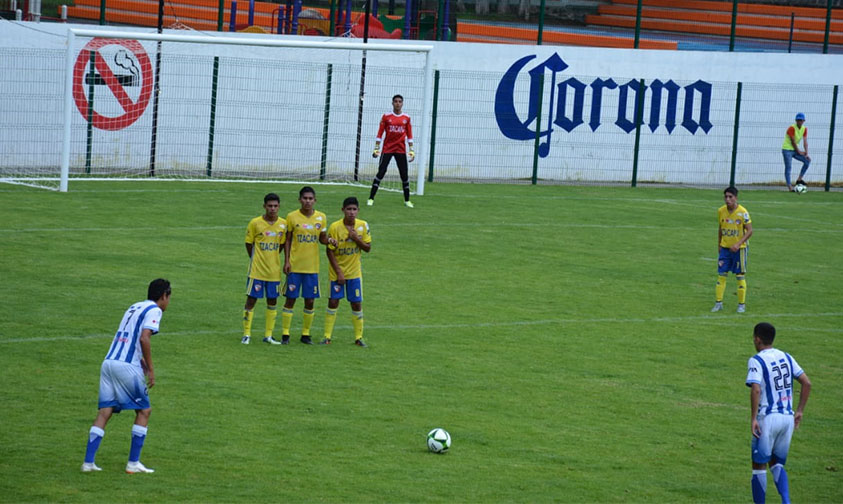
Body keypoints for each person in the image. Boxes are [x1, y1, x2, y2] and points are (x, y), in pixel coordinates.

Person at [81, 278, 172, 474]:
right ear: (163, 296)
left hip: (109, 362)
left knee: (105, 411)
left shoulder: (135, 306)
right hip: (125, 366)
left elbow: (129, 337)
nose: (168, 302)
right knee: (144, 411)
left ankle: (88, 463)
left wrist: (141, 363)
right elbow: (144, 337)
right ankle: (133, 463)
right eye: (168, 297)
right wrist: (151, 368)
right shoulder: (154, 310)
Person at [746, 322, 811, 504]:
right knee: (776, 463)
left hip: (768, 418)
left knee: (759, 466)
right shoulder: (786, 357)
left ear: (757, 339)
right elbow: (807, 383)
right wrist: (799, 411)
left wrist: (753, 418)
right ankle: (786, 501)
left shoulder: (756, 360)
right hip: (787, 419)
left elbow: (756, 389)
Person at [281, 186, 336, 344]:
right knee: (290, 299)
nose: (308, 201)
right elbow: (288, 240)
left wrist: (330, 241)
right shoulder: (291, 217)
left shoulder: (321, 218)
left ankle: (306, 334)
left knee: (310, 300)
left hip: (312, 268)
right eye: (305, 198)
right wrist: (286, 261)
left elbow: (322, 238)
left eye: (310, 199)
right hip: (295, 266)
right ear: (300, 200)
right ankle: (285, 334)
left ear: (315, 200)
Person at [322, 197, 372, 347]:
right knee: (333, 301)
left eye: (354, 209)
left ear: (358, 211)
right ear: (342, 210)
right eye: (348, 209)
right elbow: (329, 251)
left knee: (356, 304)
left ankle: (359, 338)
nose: (351, 212)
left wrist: (356, 238)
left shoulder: (363, 226)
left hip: (354, 273)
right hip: (337, 273)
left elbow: (368, 248)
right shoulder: (335, 227)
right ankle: (327, 337)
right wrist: (339, 272)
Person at [242, 193, 287, 345]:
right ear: (264, 206)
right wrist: (256, 259)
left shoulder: (283, 224)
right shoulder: (255, 223)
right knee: (251, 300)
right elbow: (249, 244)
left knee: (272, 301)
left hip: (274, 272)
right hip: (257, 271)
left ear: (279, 207)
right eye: (270, 206)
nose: (272, 209)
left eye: (275, 206)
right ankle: (246, 334)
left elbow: (281, 245)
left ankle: (268, 335)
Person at [368, 94, 415, 208]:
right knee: (381, 172)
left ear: (402, 103)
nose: (398, 103)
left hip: (400, 150)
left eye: (400, 101)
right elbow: (380, 133)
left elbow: (409, 135)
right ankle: (371, 198)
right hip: (387, 149)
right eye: (396, 101)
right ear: (392, 103)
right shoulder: (386, 117)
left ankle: (407, 200)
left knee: (404, 174)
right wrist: (376, 148)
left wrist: (411, 150)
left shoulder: (406, 118)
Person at [712, 186, 753, 313]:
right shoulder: (721, 211)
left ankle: (741, 305)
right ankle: (718, 303)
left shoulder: (743, 212)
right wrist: (719, 244)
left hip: (739, 250)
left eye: (730, 197)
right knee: (721, 275)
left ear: (736, 198)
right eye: (726, 197)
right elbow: (720, 228)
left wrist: (738, 243)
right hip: (725, 248)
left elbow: (750, 230)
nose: (727, 199)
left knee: (740, 276)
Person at [782, 113, 810, 192]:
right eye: (798, 120)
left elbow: (805, 142)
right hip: (787, 149)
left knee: (807, 161)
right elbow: (793, 141)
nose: (800, 122)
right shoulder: (791, 128)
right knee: (788, 167)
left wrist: (806, 153)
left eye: (801, 120)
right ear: (796, 120)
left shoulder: (804, 129)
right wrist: (799, 152)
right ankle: (789, 186)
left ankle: (799, 180)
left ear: (804, 121)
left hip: (794, 150)